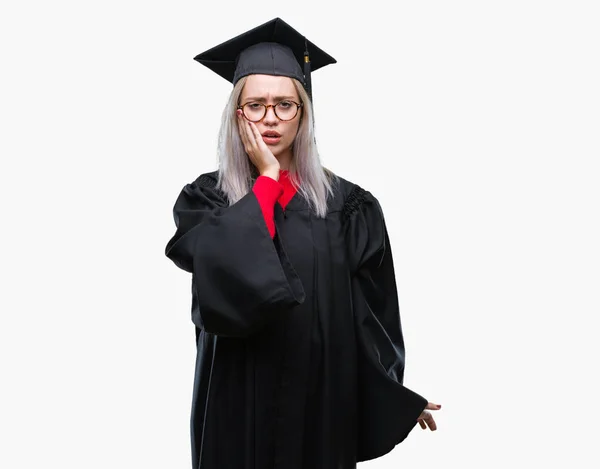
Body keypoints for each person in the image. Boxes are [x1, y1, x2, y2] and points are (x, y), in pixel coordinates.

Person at [165, 17, 441, 469]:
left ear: (305, 112)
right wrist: (268, 183)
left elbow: (369, 317)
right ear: (237, 114)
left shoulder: (349, 205)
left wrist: (395, 398)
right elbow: (219, 289)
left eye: (285, 104)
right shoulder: (208, 200)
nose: (270, 117)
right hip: (235, 403)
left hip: (320, 404)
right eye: (255, 105)